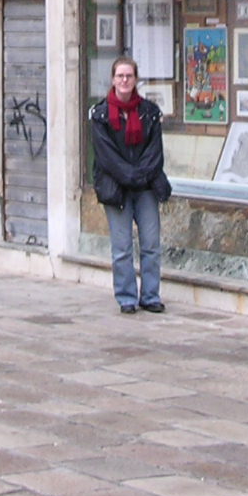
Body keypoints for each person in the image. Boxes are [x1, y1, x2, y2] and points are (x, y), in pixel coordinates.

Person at [89, 55, 171, 314]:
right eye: (120, 76)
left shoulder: (150, 112)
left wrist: (140, 176)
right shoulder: (100, 115)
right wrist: (129, 176)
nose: (124, 80)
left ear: (136, 79)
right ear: (113, 79)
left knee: (151, 245)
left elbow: (154, 153)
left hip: (145, 188)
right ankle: (126, 298)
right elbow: (106, 156)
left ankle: (150, 296)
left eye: (129, 76)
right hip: (117, 189)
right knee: (122, 248)